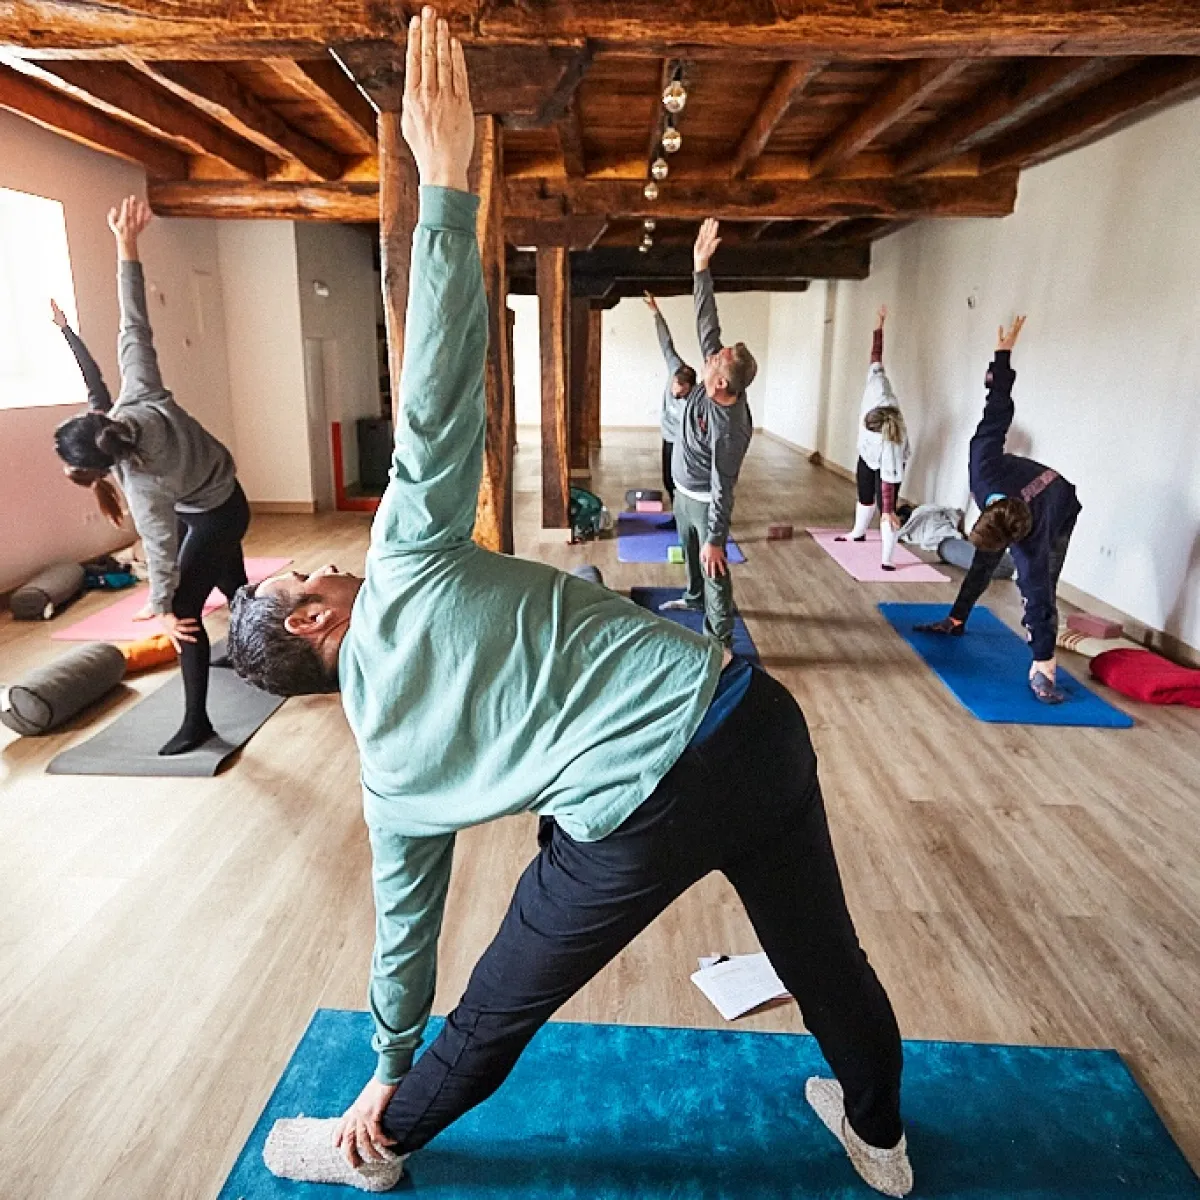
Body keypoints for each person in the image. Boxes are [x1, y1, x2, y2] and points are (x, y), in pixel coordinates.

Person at [228, 11, 910, 1196]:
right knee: (827, 960)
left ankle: (376, 1145)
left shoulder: (388, 774)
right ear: (307, 622)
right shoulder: (408, 560)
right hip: (749, 717)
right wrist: (446, 190)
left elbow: (406, 938)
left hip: (645, 799)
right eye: (298, 577)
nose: (318, 564)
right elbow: (440, 401)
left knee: (492, 1011)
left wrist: (388, 1055)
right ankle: (883, 1142)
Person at [51, 197, 250, 755]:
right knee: (232, 583)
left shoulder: (141, 482)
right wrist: (125, 245)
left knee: (190, 611)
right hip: (223, 500)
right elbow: (133, 322)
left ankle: (197, 723)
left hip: (211, 510)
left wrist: (165, 608)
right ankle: (252, 644)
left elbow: (161, 548)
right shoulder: (138, 394)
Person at [915, 317, 1081, 704]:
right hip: (1019, 496)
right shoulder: (984, 466)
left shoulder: (1032, 540)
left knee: (1042, 588)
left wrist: (1044, 666)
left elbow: (1034, 597)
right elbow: (997, 410)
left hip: (1061, 505)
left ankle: (1044, 662)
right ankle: (956, 619)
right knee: (982, 564)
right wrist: (1002, 356)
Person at [657, 219, 756, 649]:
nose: (711, 354)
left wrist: (717, 539)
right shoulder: (717, 381)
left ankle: (721, 643)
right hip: (681, 489)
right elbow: (706, 321)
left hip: (703, 497)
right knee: (689, 555)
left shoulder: (728, 431)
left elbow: (723, 488)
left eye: (717, 357)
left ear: (719, 382)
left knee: (712, 564)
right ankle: (691, 596)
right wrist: (700, 267)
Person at [835, 306, 909, 570]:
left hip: (889, 465)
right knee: (864, 491)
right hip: (867, 454)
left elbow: (888, 485)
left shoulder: (891, 443)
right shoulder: (877, 383)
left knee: (885, 509)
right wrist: (879, 325)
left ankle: (887, 558)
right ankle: (858, 532)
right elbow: (876, 355)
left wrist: (888, 510)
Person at [642, 290, 698, 510]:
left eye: (680, 388)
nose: (675, 389)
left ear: (690, 388)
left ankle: (684, 517)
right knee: (667, 479)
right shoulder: (675, 367)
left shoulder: (695, 401)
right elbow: (666, 343)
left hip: (684, 442)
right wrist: (656, 312)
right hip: (668, 436)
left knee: (680, 480)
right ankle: (677, 515)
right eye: (674, 384)